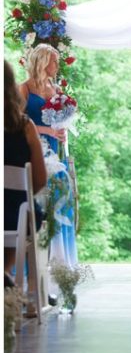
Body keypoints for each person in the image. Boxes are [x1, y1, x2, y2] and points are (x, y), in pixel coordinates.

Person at [19, 43, 76, 266]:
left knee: (60, 193)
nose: (57, 65)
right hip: (33, 145)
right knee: (42, 193)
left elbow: (59, 120)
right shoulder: (24, 88)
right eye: (54, 61)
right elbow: (19, 122)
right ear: (43, 62)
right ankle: (38, 254)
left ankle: (59, 255)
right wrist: (45, 130)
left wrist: (62, 131)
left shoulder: (56, 89)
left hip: (53, 146)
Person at [4, 60, 47, 275]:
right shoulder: (26, 126)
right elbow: (39, 180)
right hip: (15, 217)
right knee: (26, 212)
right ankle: (7, 278)